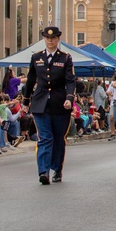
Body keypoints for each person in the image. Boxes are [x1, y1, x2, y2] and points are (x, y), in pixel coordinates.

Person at [22, 26, 76, 185]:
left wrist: (69, 98)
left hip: (60, 103)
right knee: (45, 137)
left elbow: (70, 81)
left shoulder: (65, 58)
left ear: (58, 39)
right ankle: (43, 171)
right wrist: (25, 101)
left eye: (53, 38)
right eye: (47, 38)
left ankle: (57, 168)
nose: (50, 40)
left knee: (59, 138)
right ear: (44, 39)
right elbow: (31, 80)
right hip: (40, 103)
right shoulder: (36, 57)